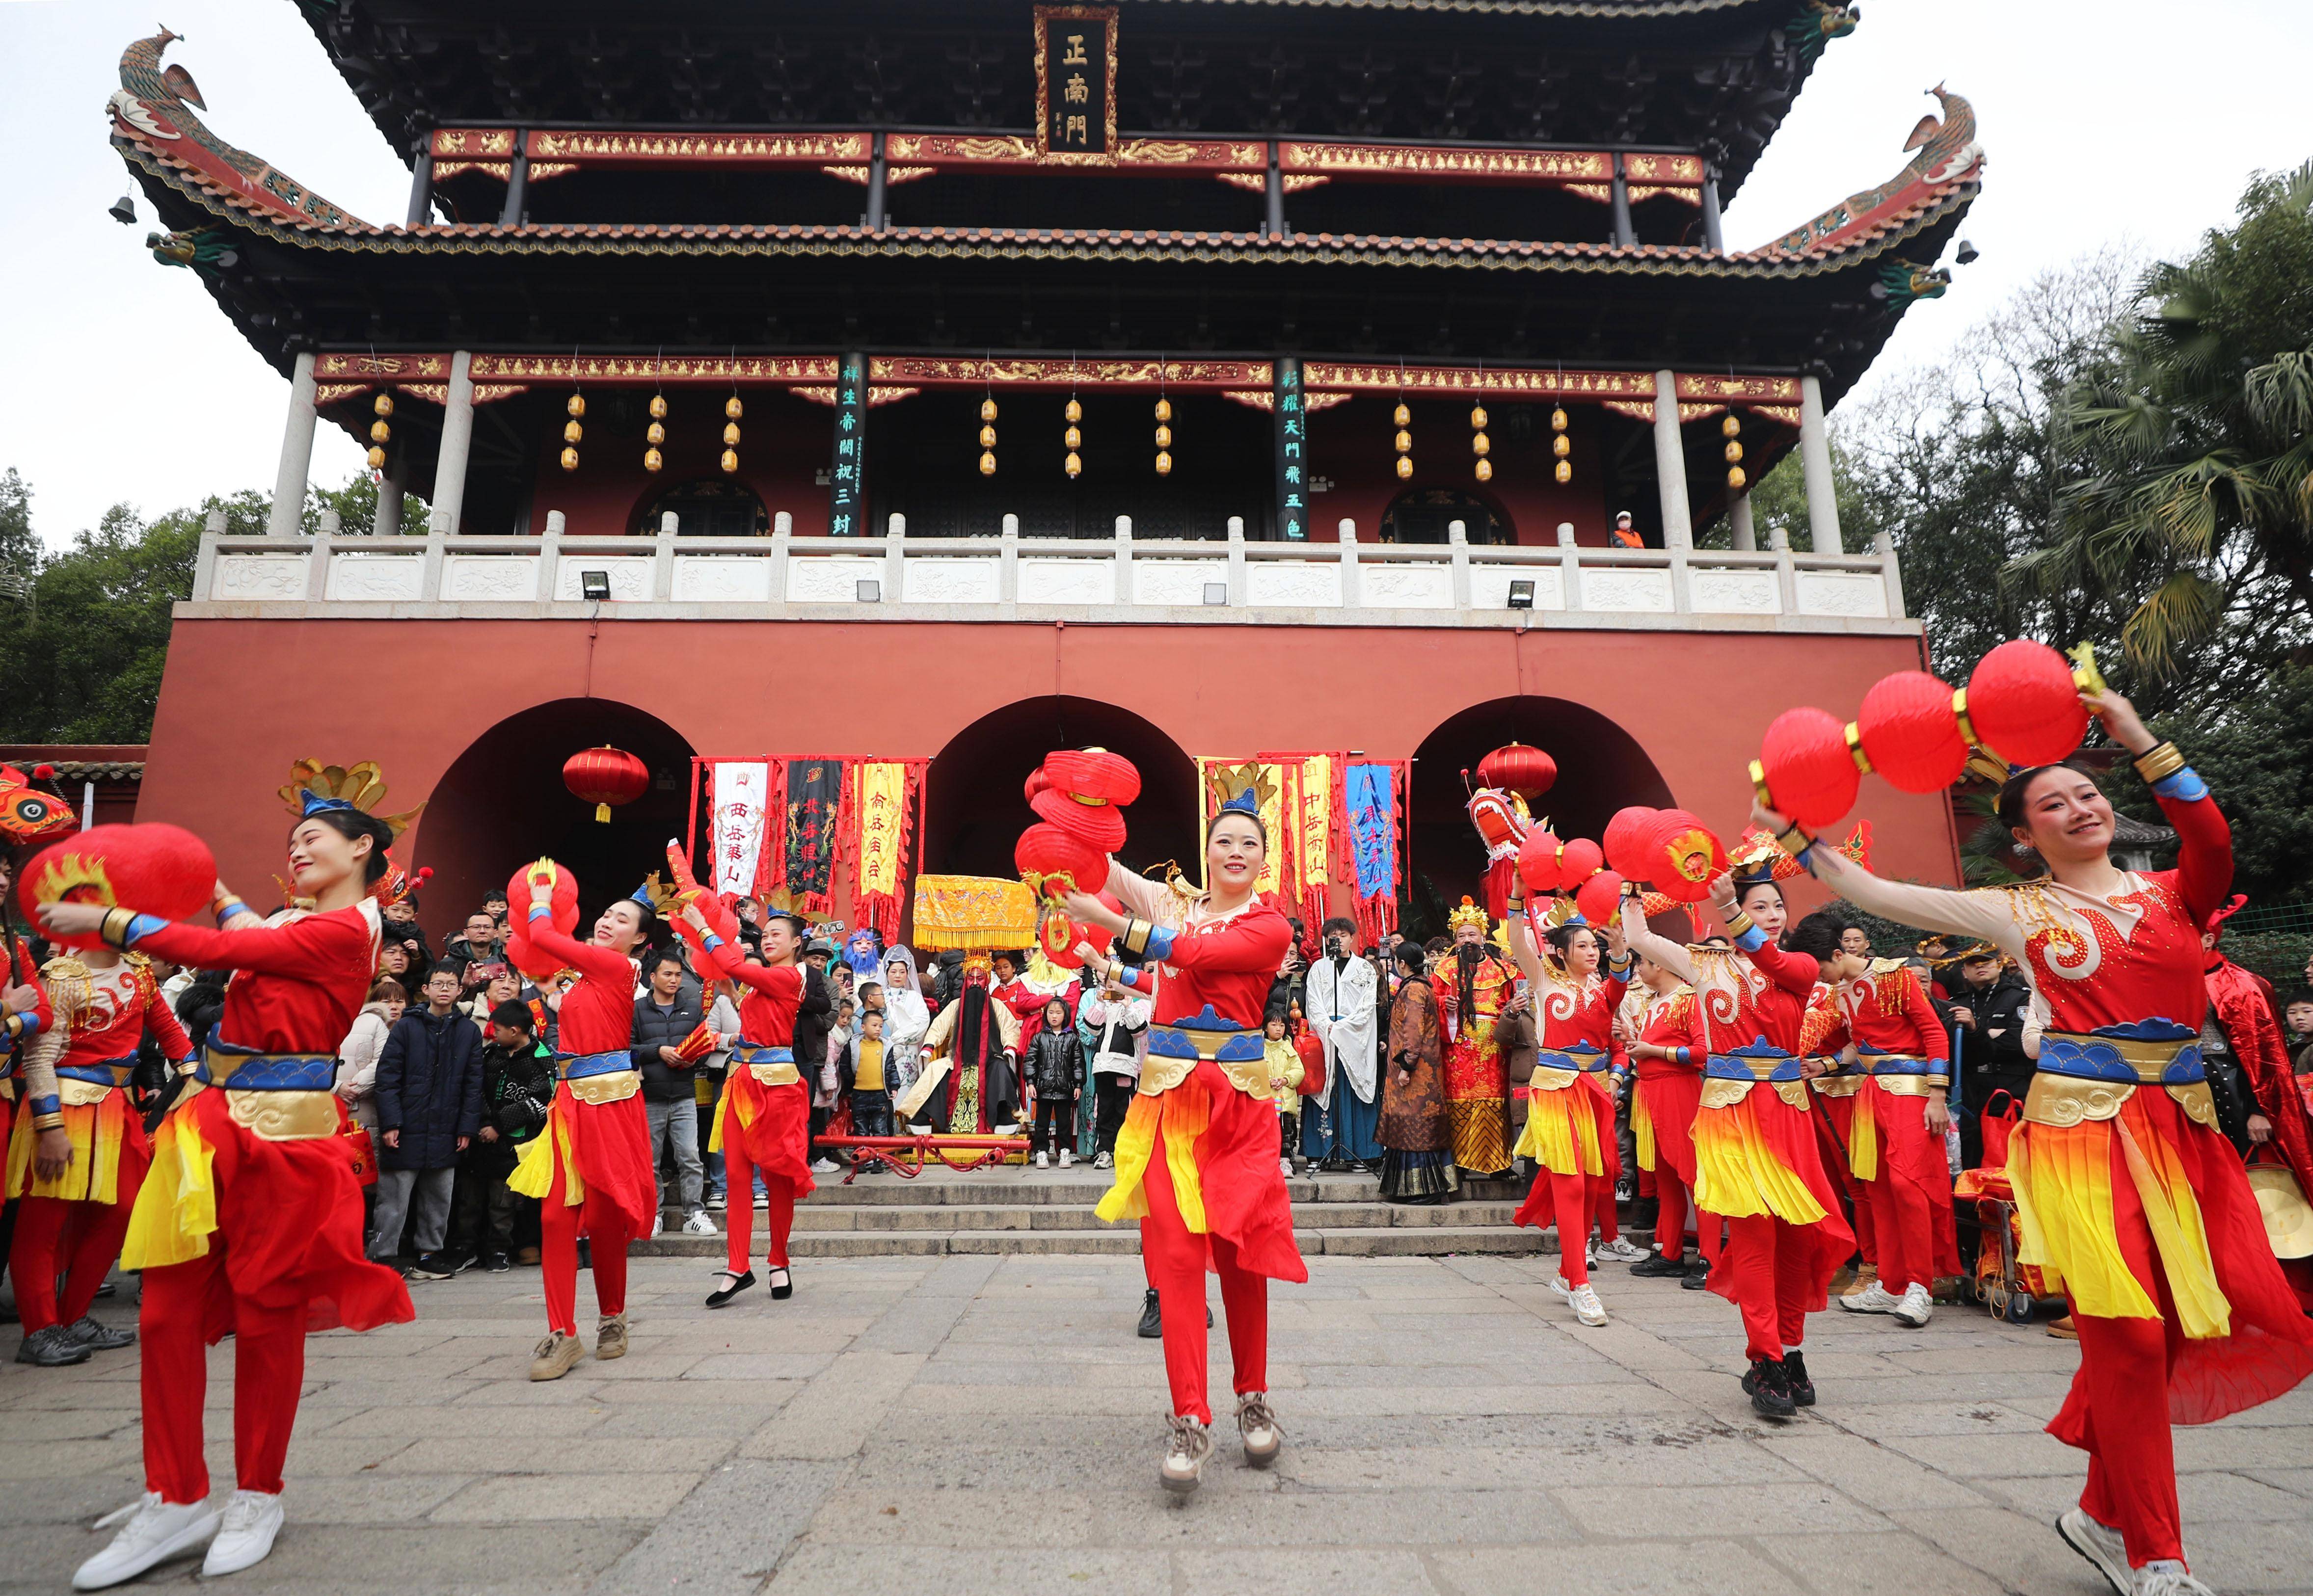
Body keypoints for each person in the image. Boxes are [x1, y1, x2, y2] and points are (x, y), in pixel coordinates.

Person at [1775, 686, 2313, 1595]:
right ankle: (2157, 1556)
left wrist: (2134, 733)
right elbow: (1878, 891)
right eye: (2054, 802)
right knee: (2132, 1338)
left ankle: (2102, 1513)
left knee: (2174, 1328)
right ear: (2026, 834)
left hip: (2183, 1138)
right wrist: (1793, 836)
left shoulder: (2175, 895)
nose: (2081, 807)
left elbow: (2213, 838)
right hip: (2079, 1139)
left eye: (2088, 792)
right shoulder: (2016, 911)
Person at [41, 764, 416, 1586]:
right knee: (165, 1311)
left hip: (289, 1142)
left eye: (313, 837)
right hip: (210, 1124)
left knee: (267, 1317)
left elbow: (222, 947)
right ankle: (175, 1493)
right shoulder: (298, 922)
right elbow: (247, 926)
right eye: (291, 841)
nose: (297, 847)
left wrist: (109, 916)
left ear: (363, 847)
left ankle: (258, 1493)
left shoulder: (352, 929)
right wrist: (204, 879)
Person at [1066, 781, 1304, 1496]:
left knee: (1241, 1255)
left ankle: (1253, 1395)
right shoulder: (1175, 903)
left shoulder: (1270, 926)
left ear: (1264, 860)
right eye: (1224, 841)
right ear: (1206, 852)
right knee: (1173, 1259)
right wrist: (1075, 823)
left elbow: (1195, 955)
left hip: (1239, 1108)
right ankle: (1189, 1417)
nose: (1235, 851)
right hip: (1169, 1103)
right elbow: (1109, 875)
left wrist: (1108, 926)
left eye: (1249, 844)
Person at [1618, 871, 1854, 1420]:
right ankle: (1765, 1358)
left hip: (1787, 1118)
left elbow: (1766, 956)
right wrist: (1631, 895)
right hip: (1728, 1117)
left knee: (1796, 1238)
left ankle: (1790, 1352)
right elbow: (1641, 939)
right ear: (1736, 909)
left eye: (1778, 906)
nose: (1773, 914)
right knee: (1752, 1237)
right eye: (1760, 905)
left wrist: (1732, 910)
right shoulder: (1705, 966)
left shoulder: (1797, 967)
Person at [7, 937, 196, 1367]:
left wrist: (199, 1082)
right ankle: (39, 1329)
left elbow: (170, 1033)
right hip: (62, 1105)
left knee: (123, 1211)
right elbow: (38, 1058)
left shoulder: (141, 971)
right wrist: (49, 1126)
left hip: (118, 1106)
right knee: (45, 1220)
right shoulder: (61, 977)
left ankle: (72, 1316)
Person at [506, 873, 660, 1382]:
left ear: (638, 938)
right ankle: (562, 1332)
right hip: (569, 1107)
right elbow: (544, 968)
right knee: (554, 1218)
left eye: (621, 919)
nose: (607, 921)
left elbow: (548, 939)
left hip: (612, 1108)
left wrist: (541, 901)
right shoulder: (584, 982)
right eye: (606, 914)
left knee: (602, 1218)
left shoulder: (617, 967)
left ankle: (612, 1316)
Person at [1783, 911, 1958, 1328]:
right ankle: (1892, 1282)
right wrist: (1824, 1065)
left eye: (1820, 967)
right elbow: (1855, 1046)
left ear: (1839, 953)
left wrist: (1938, 1095)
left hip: (1911, 1093)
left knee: (1908, 1184)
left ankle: (1921, 1285)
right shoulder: (1840, 990)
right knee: (1877, 1187)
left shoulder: (1896, 977)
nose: (1818, 976)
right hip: (1870, 1092)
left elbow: (1934, 1032)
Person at [1502, 905, 1634, 1327]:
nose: (1592, 951)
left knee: (1595, 1185)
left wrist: (1618, 950)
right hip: (1556, 1090)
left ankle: (1566, 1272)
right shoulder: (1544, 982)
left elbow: (1619, 986)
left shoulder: (1603, 990)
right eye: (1583, 946)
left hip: (1594, 1093)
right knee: (1573, 1184)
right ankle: (1581, 1284)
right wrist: (1518, 899)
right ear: (1560, 952)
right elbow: (1519, 941)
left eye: (1594, 946)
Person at [686, 905, 812, 1308]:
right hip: (741, 1083)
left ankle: (779, 1259)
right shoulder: (766, 985)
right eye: (765, 934)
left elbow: (734, 965)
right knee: (737, 1177)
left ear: (796, 943)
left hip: (776, 1089)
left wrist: (702, 927)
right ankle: (737, 1265)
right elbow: (761, 1023)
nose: (768, 939)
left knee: (777, 1178)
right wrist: (734, 998)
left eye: (778, 934)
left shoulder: (789, 976)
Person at [371, 963, 484, 1279]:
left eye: (451, 984)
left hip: (448, 1127)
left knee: (439, 1196)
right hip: (406, 1124)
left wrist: (466, 1128)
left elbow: (473, 1085)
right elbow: (387, 1078)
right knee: (394, 1196)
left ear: (460, 991)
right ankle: (384, 1253)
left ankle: (429, 1254)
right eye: (438, 983)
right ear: (426, 989)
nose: (444, 989)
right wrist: (391, 1123)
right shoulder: (407, 1027)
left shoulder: (468, 1031)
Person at [1621, 951, 1707, 1283]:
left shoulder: (1689, 999)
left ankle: (1709, 1259)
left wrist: (1653, 1051)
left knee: (1693, 1176)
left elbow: (1702, 1053)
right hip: (1650, 1093)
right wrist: (1631, 1041)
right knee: (1666, 1179)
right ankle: (1670, 1254)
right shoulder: (1651, 1002)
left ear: (1658, 964)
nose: (1638, 970)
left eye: (1640, 963)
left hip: (1679, 1091)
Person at [1434, 898, 1523, 1179]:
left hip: (1495, 1047)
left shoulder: (1503, 969)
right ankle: (1459, 1163)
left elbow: (1520, 1000)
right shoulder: (1444, 970)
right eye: (1461, 935)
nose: (1467, 940)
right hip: (1458, 1046)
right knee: (1460, 1101)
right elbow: (1430, 1000)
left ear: (1483, 937)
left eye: (1472, 934)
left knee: (1496, 1101)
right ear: (1455, 940)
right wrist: (1442, 1004)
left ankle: (1499, 1163)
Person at [463, 1000, 553, 1273]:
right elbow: (475, 1089)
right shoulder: (491, 1054)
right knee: (470, 1200)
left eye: (498, 1029)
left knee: (503, 1203)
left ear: (515, 1031)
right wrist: (485, 1123)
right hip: (481, 1140)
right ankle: (466, 1249)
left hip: (517, 1145)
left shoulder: (543, 1058)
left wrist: (499, 1127)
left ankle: (499, 1250)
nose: (494, 1033)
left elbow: (539, 1102)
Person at [632, 947, 711, 1237]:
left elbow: (705, 1045)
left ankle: (695, 1213)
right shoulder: (638, 1010)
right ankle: (653, 1213)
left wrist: (695, 1058)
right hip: (649, 1094)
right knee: (650, 1159)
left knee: (690, 1156)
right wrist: (658, 1051)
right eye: (668, 974)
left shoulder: (692, 1007)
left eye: (678, 974)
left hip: (684, 1093)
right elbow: (626, 1047)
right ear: (652, 977)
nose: (674, 980)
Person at [901, 954, 1022, 1136]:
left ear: (987, 981)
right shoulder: (955, 1005)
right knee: (935, 1069)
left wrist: (1009, 1048)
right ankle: (922, 1116)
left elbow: (1010, 1030)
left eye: (980, 979)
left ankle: (1004, 1114)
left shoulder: (996, 1006)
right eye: (971, 978)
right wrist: (929, 1046)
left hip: (990, 1059)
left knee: (1002, 1070)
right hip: (957, 1058)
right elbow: (938, 1028)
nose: (975, 983)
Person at [1378, 943, 1457, 1203]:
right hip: (1426, 1070)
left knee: (1416, 1128)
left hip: (1417, 1073)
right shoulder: (1424, 987)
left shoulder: (1413, 990)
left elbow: (1413, 1032)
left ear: (1402, 964)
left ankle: (1427, 1190)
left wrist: (1406, 1067)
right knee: (1419, 1126)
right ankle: (1420, 1188)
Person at [1303, 916, 1383, 1170]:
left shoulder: (1365, 969)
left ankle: (1361, 1153)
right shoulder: (1318, 969)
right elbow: (1313, 1003)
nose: (1338, 940)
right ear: (1327, 941)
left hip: (1355, 1035)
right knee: (1324, 1088)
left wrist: (1345, 1028)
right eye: (1332, 936)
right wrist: (1327, 1025)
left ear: (1352, 938)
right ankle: (1320, 1152)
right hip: (1326, 1034)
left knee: (1355, 1087)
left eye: (1343, 935)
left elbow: (1368, 1005)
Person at [1081, 972, 1151, 1170]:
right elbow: (1092, 1028)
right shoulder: (1103, 1008)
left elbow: (1139, 1029)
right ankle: (1104, 1150)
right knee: (1104, 1110)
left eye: (1118, 987)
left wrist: (1128, 1005)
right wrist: (1101, 1004)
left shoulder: (1134, 1007)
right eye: (1109, 987)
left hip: (1125, 1067)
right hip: (1103, 1067)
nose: (1113, 991)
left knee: (1123, 1110)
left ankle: (1122, 1150)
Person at [336, 976, 404, 1135]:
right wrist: (336, 1087)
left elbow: (380, 1063)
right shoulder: (324, 1018)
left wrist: (352, 1092)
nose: (393, 1006)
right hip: (330, 1101)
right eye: (386, 1001)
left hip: (366, 1103)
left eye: (399, 1001)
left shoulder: (375, 1023)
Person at [1026, 995, 1083, 1168]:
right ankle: (1042, 1152)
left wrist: (1078, 1085)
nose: (1054, 1016)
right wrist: (1031, 1083)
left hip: (1065, 1089)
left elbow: (1078, 1063)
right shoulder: (1039, 1038)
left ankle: (1065, 1152)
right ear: (1046, 1015)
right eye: (1051, 1012)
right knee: (1041, 1123)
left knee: (1064, 1123)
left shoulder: (1072, 1039)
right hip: (1043, 1089)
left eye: (1058, 1013)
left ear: (1065, 1015)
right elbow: (1030, 1061)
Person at [1259, 1015, 1306, 1177]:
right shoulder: (1259, 1049)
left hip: (1284, 1097)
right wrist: (1266, 1081)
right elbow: (1253, 1070)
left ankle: (1285, 1160)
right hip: (1266, 1097)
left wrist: (1286, 1080)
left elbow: (1299, 1070)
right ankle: (1268, 1162)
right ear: (1265, 1027)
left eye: (1282, 1026)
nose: (1278, 1029)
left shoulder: (1288, 1048)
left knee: (1287, 1130)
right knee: (1266, 1131)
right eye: (1274, 1025)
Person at [842, 1006, 894, 1143]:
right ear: (863, 1027)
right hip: (859, 1095)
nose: (878, 1029)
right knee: (861, 1130)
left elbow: (891, 1068)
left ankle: (879, 1159)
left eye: (881, 1026)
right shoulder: (853, 1046)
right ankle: (864, 1161)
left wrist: (894, 1086)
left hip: (880, 1095)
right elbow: (845, 1066)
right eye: (875, 1025)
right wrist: (851, 1082)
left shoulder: (886, 1046)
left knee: (880, 1130)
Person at [438, 911, 506, 988]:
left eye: (487, 927)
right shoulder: (450, 963)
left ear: (496, 933)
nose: (482, 931)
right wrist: (464, 987)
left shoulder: (503, 961)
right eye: (476, 927)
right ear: (466, 933)